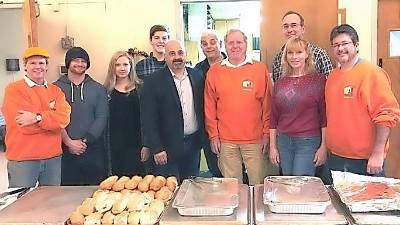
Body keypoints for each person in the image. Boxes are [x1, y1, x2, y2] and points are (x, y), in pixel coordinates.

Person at [326, 24, 400, 176]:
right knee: (339, 199)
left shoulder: (372, 74)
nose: (340, 49)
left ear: (356, 45)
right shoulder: (332, 77)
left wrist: (378, 154)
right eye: (336, 45)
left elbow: (386, 115)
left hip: (365, 161)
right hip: (336, 157)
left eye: (345, 43)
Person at [204, 29, 272, 185]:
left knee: (258, 185)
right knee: (232, 188)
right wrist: (213, 135)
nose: (235, 46)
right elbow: (209, 107)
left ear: (246, 44)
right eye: (231, 43)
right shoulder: (214, 72)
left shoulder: (259, 69)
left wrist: (266, 134)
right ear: (225, 46)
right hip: (226, 141)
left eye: (239, 42)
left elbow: (268, 106)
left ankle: (257, 210)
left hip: (255, 140)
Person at [2, 47, 71, 187]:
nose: (37, 67)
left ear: (46, 67)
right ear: (25, 66)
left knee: (51, 203)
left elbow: (63, 119)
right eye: (33, 63)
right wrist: (52, 121)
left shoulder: (56, 91)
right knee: (22, 203)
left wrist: (37, 118)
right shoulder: (14, 90)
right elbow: (23, 126)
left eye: (41, 63)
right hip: (23, 159)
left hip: (52, 158)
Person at [140, 40, 204, 182]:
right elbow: (148, 118)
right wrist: (156, 148)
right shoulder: (153, 82)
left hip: (193, 145)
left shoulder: (198, 77)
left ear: (185, 55)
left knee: (191, 187)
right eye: (172, 53)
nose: (177, 57)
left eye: (180, 53)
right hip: (166, 149)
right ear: (166, 56)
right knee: (169, 190)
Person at [269, 37, 327, 176]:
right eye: (290, 53)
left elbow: (324, 116)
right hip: (284, 142)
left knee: (300, 186)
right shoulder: (280, 83)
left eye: (299, 52)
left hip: (308, 141)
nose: (294, 57)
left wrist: (324, 146)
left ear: (307, 54)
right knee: (288, 184)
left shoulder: (318, 81)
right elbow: (273, 117)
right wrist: (273, 147)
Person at [54, 47, 108, 185]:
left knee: (94, 191)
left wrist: (85, 140)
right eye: (75, 60)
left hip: (93, 149)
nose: (79, 64)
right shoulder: (54, 88)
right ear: (68, 63)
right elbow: (54, 118)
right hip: (64, 149)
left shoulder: (98, 88)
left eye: (83, 61)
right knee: (67, 193)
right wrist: (69, 142)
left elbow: (102, 116)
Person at [104, 51, 150, 177]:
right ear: (113, 68)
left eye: (125, 64)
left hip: (137, 145)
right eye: (118, 65)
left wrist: (146, 144)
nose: (122, 68)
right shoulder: (106, 91)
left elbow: (148, 119)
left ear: (131, 66)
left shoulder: (141, 88)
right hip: (114, 146)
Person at [193, 30, 225, 177]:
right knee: (215, 170)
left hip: (232, 129)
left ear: (220, 44)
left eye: (213, 42)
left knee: (234, 172)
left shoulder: (232, 65)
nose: (209, 46)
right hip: (208, 129)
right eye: (204, 44)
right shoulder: (197, 71)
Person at [272, 11, 333, 82]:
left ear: (303, 29)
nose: (289, 30)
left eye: (294, 25)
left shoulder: (319, 54)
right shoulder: (278, 59)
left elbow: (330, 84)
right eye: (286, 26)